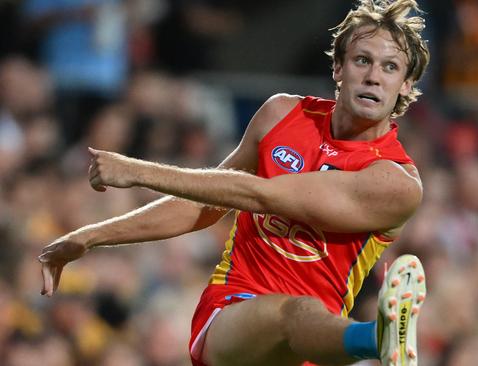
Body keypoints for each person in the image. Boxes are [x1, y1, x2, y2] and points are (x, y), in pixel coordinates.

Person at [38, 0, 431, 365]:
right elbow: (203, 205)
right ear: (338, 69)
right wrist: (89, 236)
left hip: (310, 347)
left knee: (300, 313)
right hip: (231, 310)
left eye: (390, 67)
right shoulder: (281, 114)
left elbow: (261, 195)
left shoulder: (395, 182)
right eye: (362, 60)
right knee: (293, 309)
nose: (374, 77)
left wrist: (137, 171)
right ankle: (376, 340)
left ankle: (372, 340)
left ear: (407, 86)